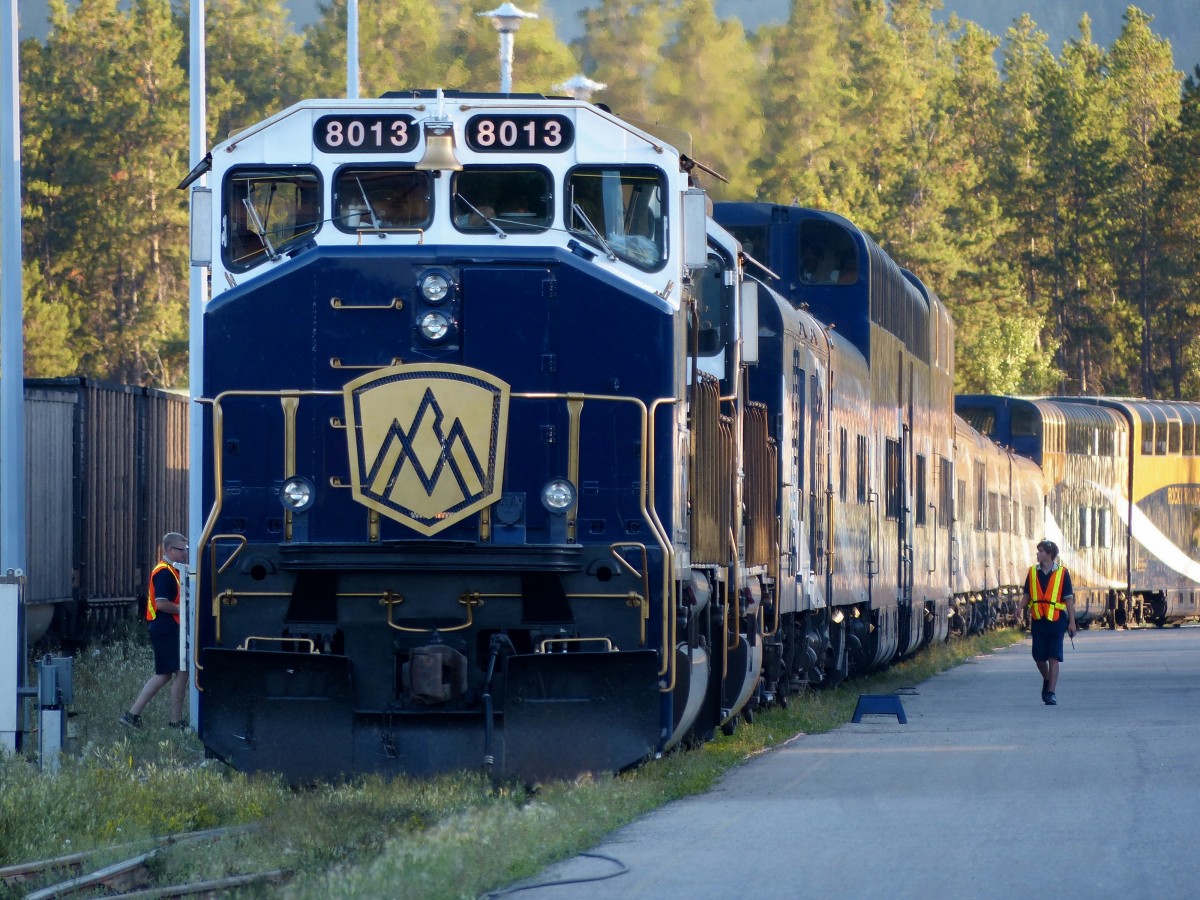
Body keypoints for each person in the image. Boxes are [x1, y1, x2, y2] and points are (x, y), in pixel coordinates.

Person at [120, 532, 189, 729]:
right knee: (179, 672)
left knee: (166, 673)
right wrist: (187, 610)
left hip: (166, 627)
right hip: (166, 627)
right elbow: (161, 604)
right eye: (181, 550)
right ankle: (174, 722)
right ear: (169, 550)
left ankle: (132, 715)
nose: (184, 553)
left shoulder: (172, 570)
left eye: (185, 549)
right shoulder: (164, 572)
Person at [1021, 539, 1077, 706]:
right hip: (1038, 620)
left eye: (1040, 551)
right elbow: (1027, 595)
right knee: (1038, 657)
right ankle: (1046, 678)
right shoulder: (1032, 573)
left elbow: (1068, 600)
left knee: (1054, 657)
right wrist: (1019, 608)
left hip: (1057, 621)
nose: (1037, 554)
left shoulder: (1062, 573)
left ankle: (1051, 692)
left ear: (1049, 554)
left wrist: (1072, 622)